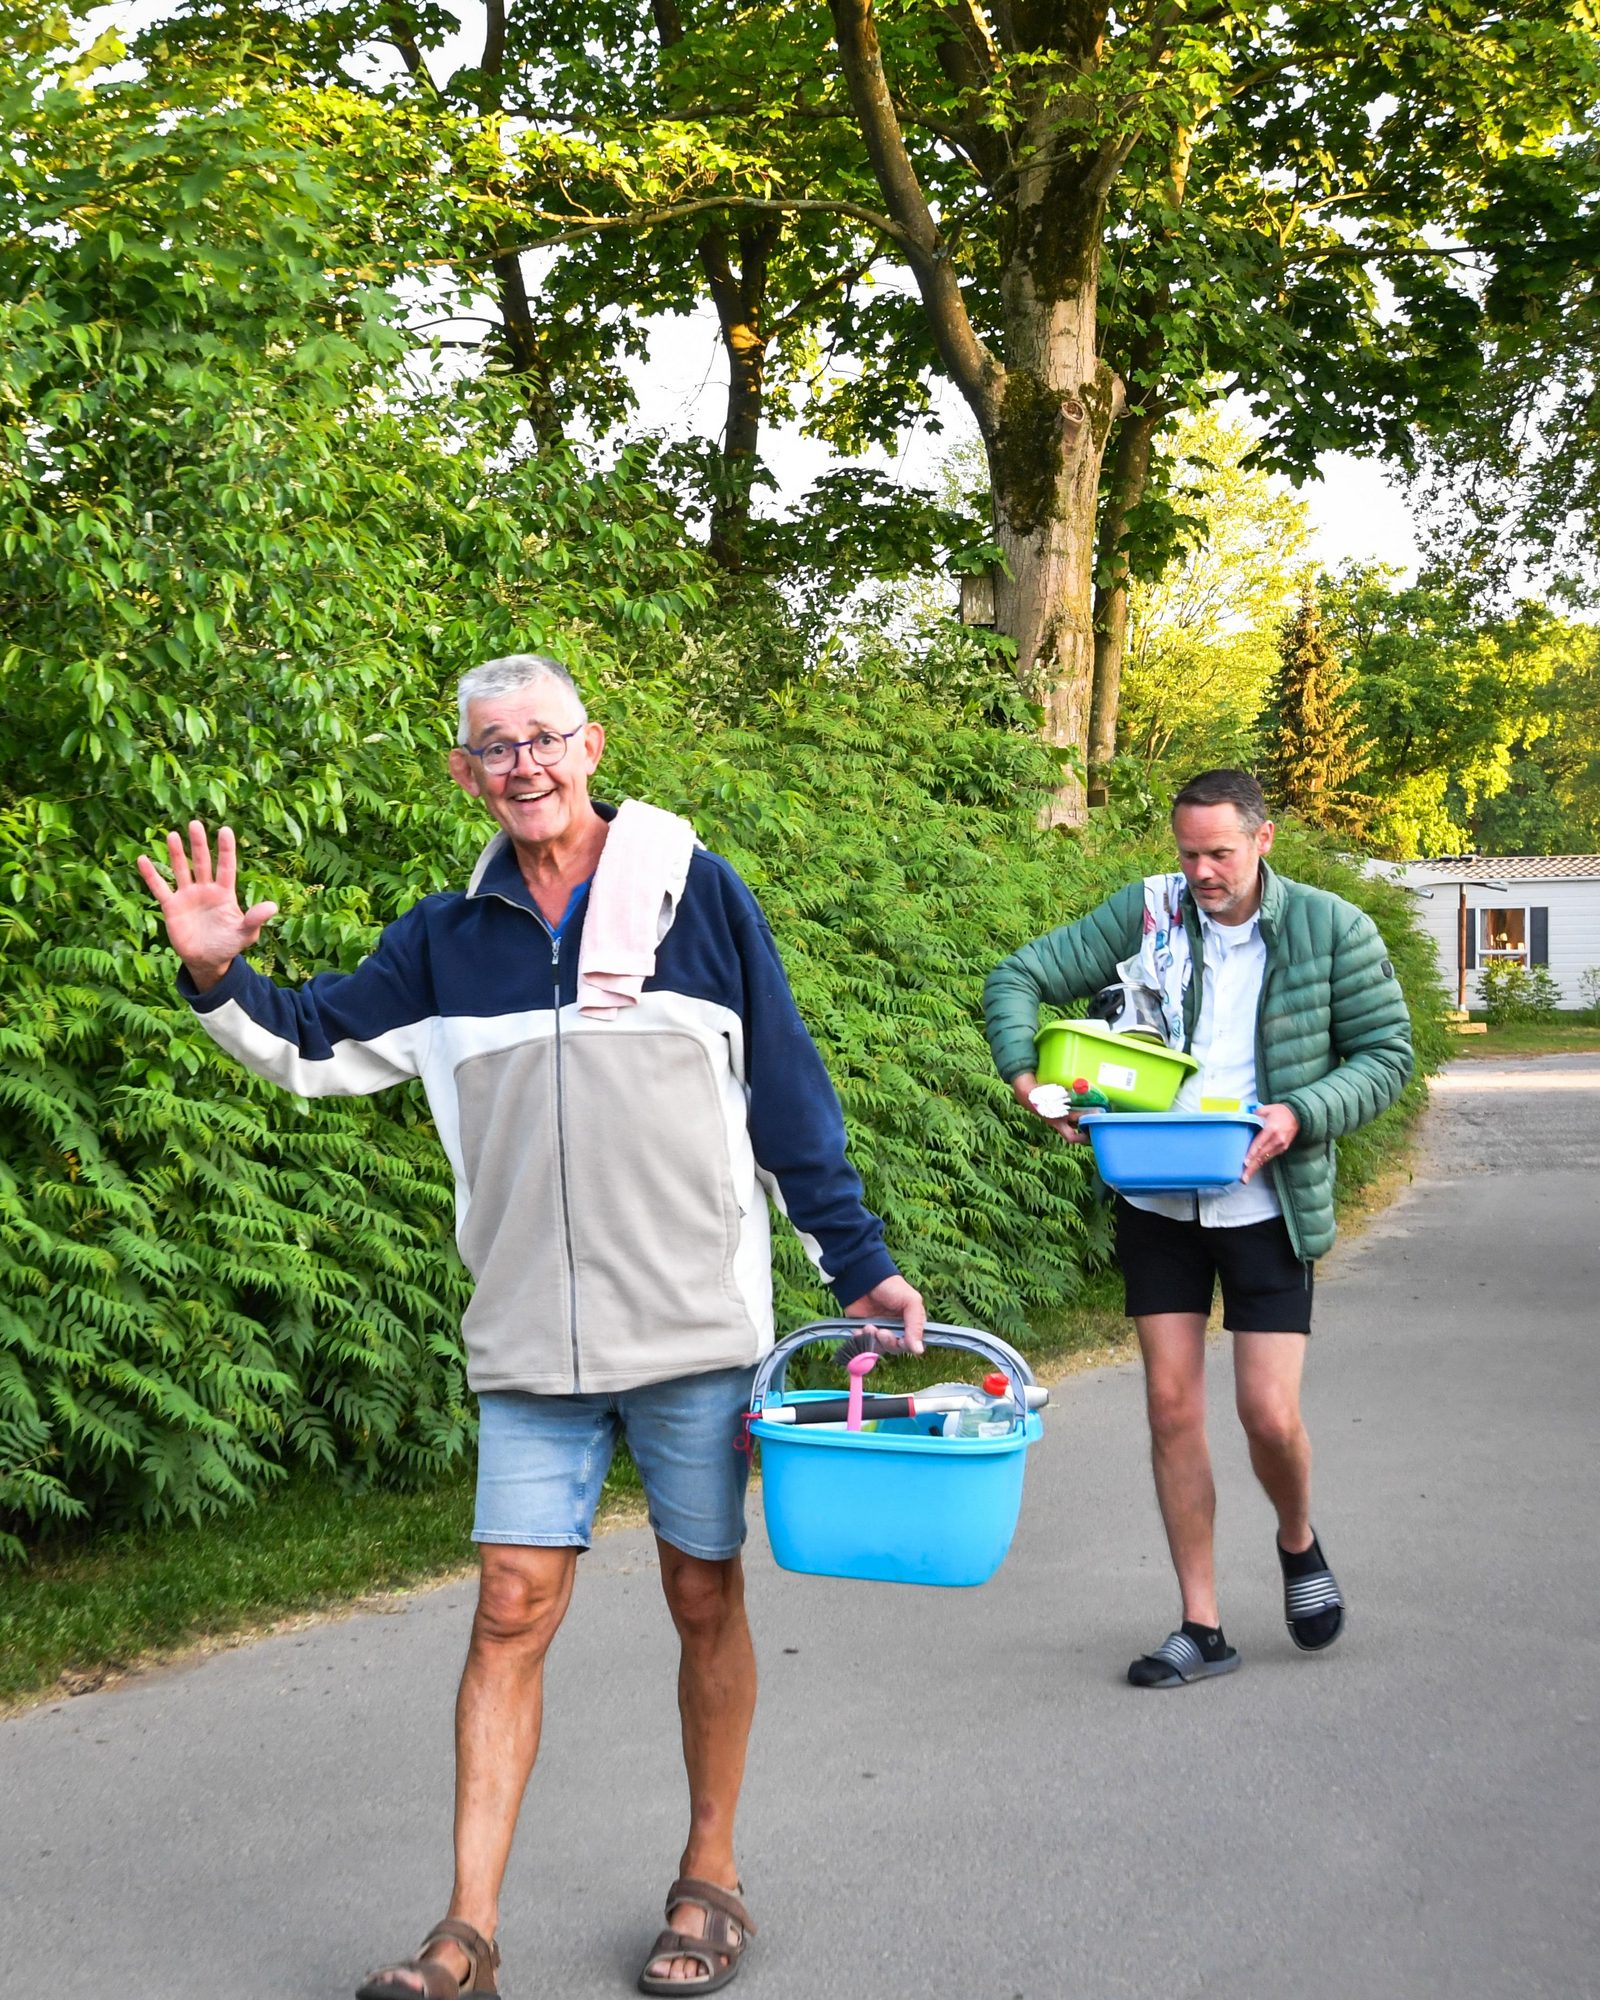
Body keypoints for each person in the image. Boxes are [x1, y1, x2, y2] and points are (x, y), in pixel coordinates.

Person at [137, 653, 924, 1997]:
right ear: (465, 773)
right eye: (495, 747)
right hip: (525, 1340)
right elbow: (313, 1041)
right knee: (508, 1605)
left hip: (689, 1329)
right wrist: (217, 975)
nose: (524, 766)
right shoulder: (444, 940)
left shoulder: (697, 895)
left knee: (702, 1592)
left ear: (591, 745)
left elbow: (784, 1092)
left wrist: (856, 1263)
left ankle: (710, 1877)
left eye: (544, 738)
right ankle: (467, 1932)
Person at [983, 769, 1411, 1689]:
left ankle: (1296, 1538)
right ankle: (1202, 1624)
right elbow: (1018, 976)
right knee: (1172, 1408)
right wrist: (1029, 1079)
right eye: (1189, 854)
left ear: (1262, 840)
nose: (1203, 872)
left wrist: (1301, 1113)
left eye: (1220, 852)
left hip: (1266, 1202)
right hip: (1155, 1199)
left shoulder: (1332, 929)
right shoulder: (1147, 914)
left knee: (1268, 1415)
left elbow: (1387, 1056)